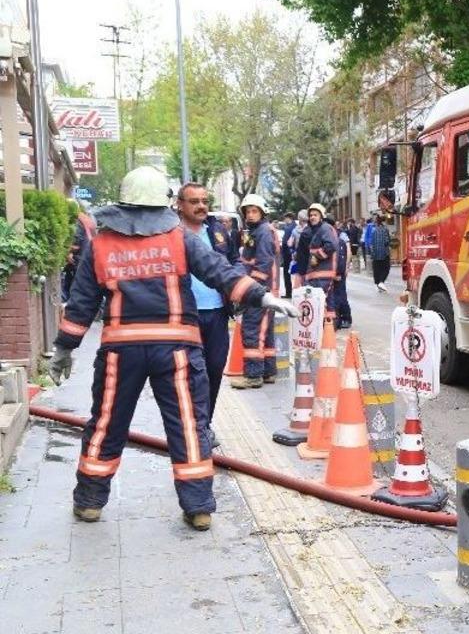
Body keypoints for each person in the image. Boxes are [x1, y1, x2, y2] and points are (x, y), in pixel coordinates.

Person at [47, 167, 298, 531]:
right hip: (176, 350)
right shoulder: (179, 238)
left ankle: (89, 502)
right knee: (187, 425)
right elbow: (219, 272)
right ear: (163, 204)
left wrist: (64, 348)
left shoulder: (101, 244)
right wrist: (264, 296)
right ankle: (198, 507)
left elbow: (82, 302)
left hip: (121, 352)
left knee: (106, 423)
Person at [175, 183, 237, 442]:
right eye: (194, 201)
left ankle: (204, 424)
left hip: (217, 313)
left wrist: (237, 285)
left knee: (213, 370)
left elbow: (236, 262)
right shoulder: (170, 233)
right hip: (185, 315)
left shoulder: (218, 230)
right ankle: (190, 427)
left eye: (204, 200)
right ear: (180, 205)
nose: (201, 206)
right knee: (189, 374)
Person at [231, 194, 279, 389]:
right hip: (264, 289)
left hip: (259, 289)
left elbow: (264, 263)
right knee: (264, 332)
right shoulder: (258, 231)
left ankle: (253, 375)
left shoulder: (263, 232)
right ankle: (268, 372)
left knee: (251, 330)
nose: (250, 215)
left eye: (254, 211)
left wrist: (250, 289)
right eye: (247, 211)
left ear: (262, 212)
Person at [304, 203, 339, 304]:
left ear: (321, 216)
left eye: (315, 215)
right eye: (311, 215)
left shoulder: (325, 228)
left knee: (319, 303)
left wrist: (317, 256)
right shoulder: (318, 229)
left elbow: (331, 246)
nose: (312, 217)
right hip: (318, 274)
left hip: (323, 274)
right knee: (322, 304)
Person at [61, 207, 96, 299]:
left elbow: (76, 241)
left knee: (74, 288)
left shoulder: (77, 221)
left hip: (79, 258)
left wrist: (68, 252)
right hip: (87, 255)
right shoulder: (86, 219)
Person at [370, 215, 391, 292]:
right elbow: (387, 241)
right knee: (386, 268)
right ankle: (381, 282)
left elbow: (371, 243)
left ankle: (378, 283)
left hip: (375, 254)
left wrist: (372, 253)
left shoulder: (373, 231)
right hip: (384, 253)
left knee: (377, 269)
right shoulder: (385, 230)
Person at [280, 212, 296, 298]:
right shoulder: (295, 226)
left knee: (287, 274)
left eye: (285, 218)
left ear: (289, 218)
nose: (284, 220)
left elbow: (285, 242)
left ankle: (288, 293)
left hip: (288, 254)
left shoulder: (288, 228)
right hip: (293, 253)